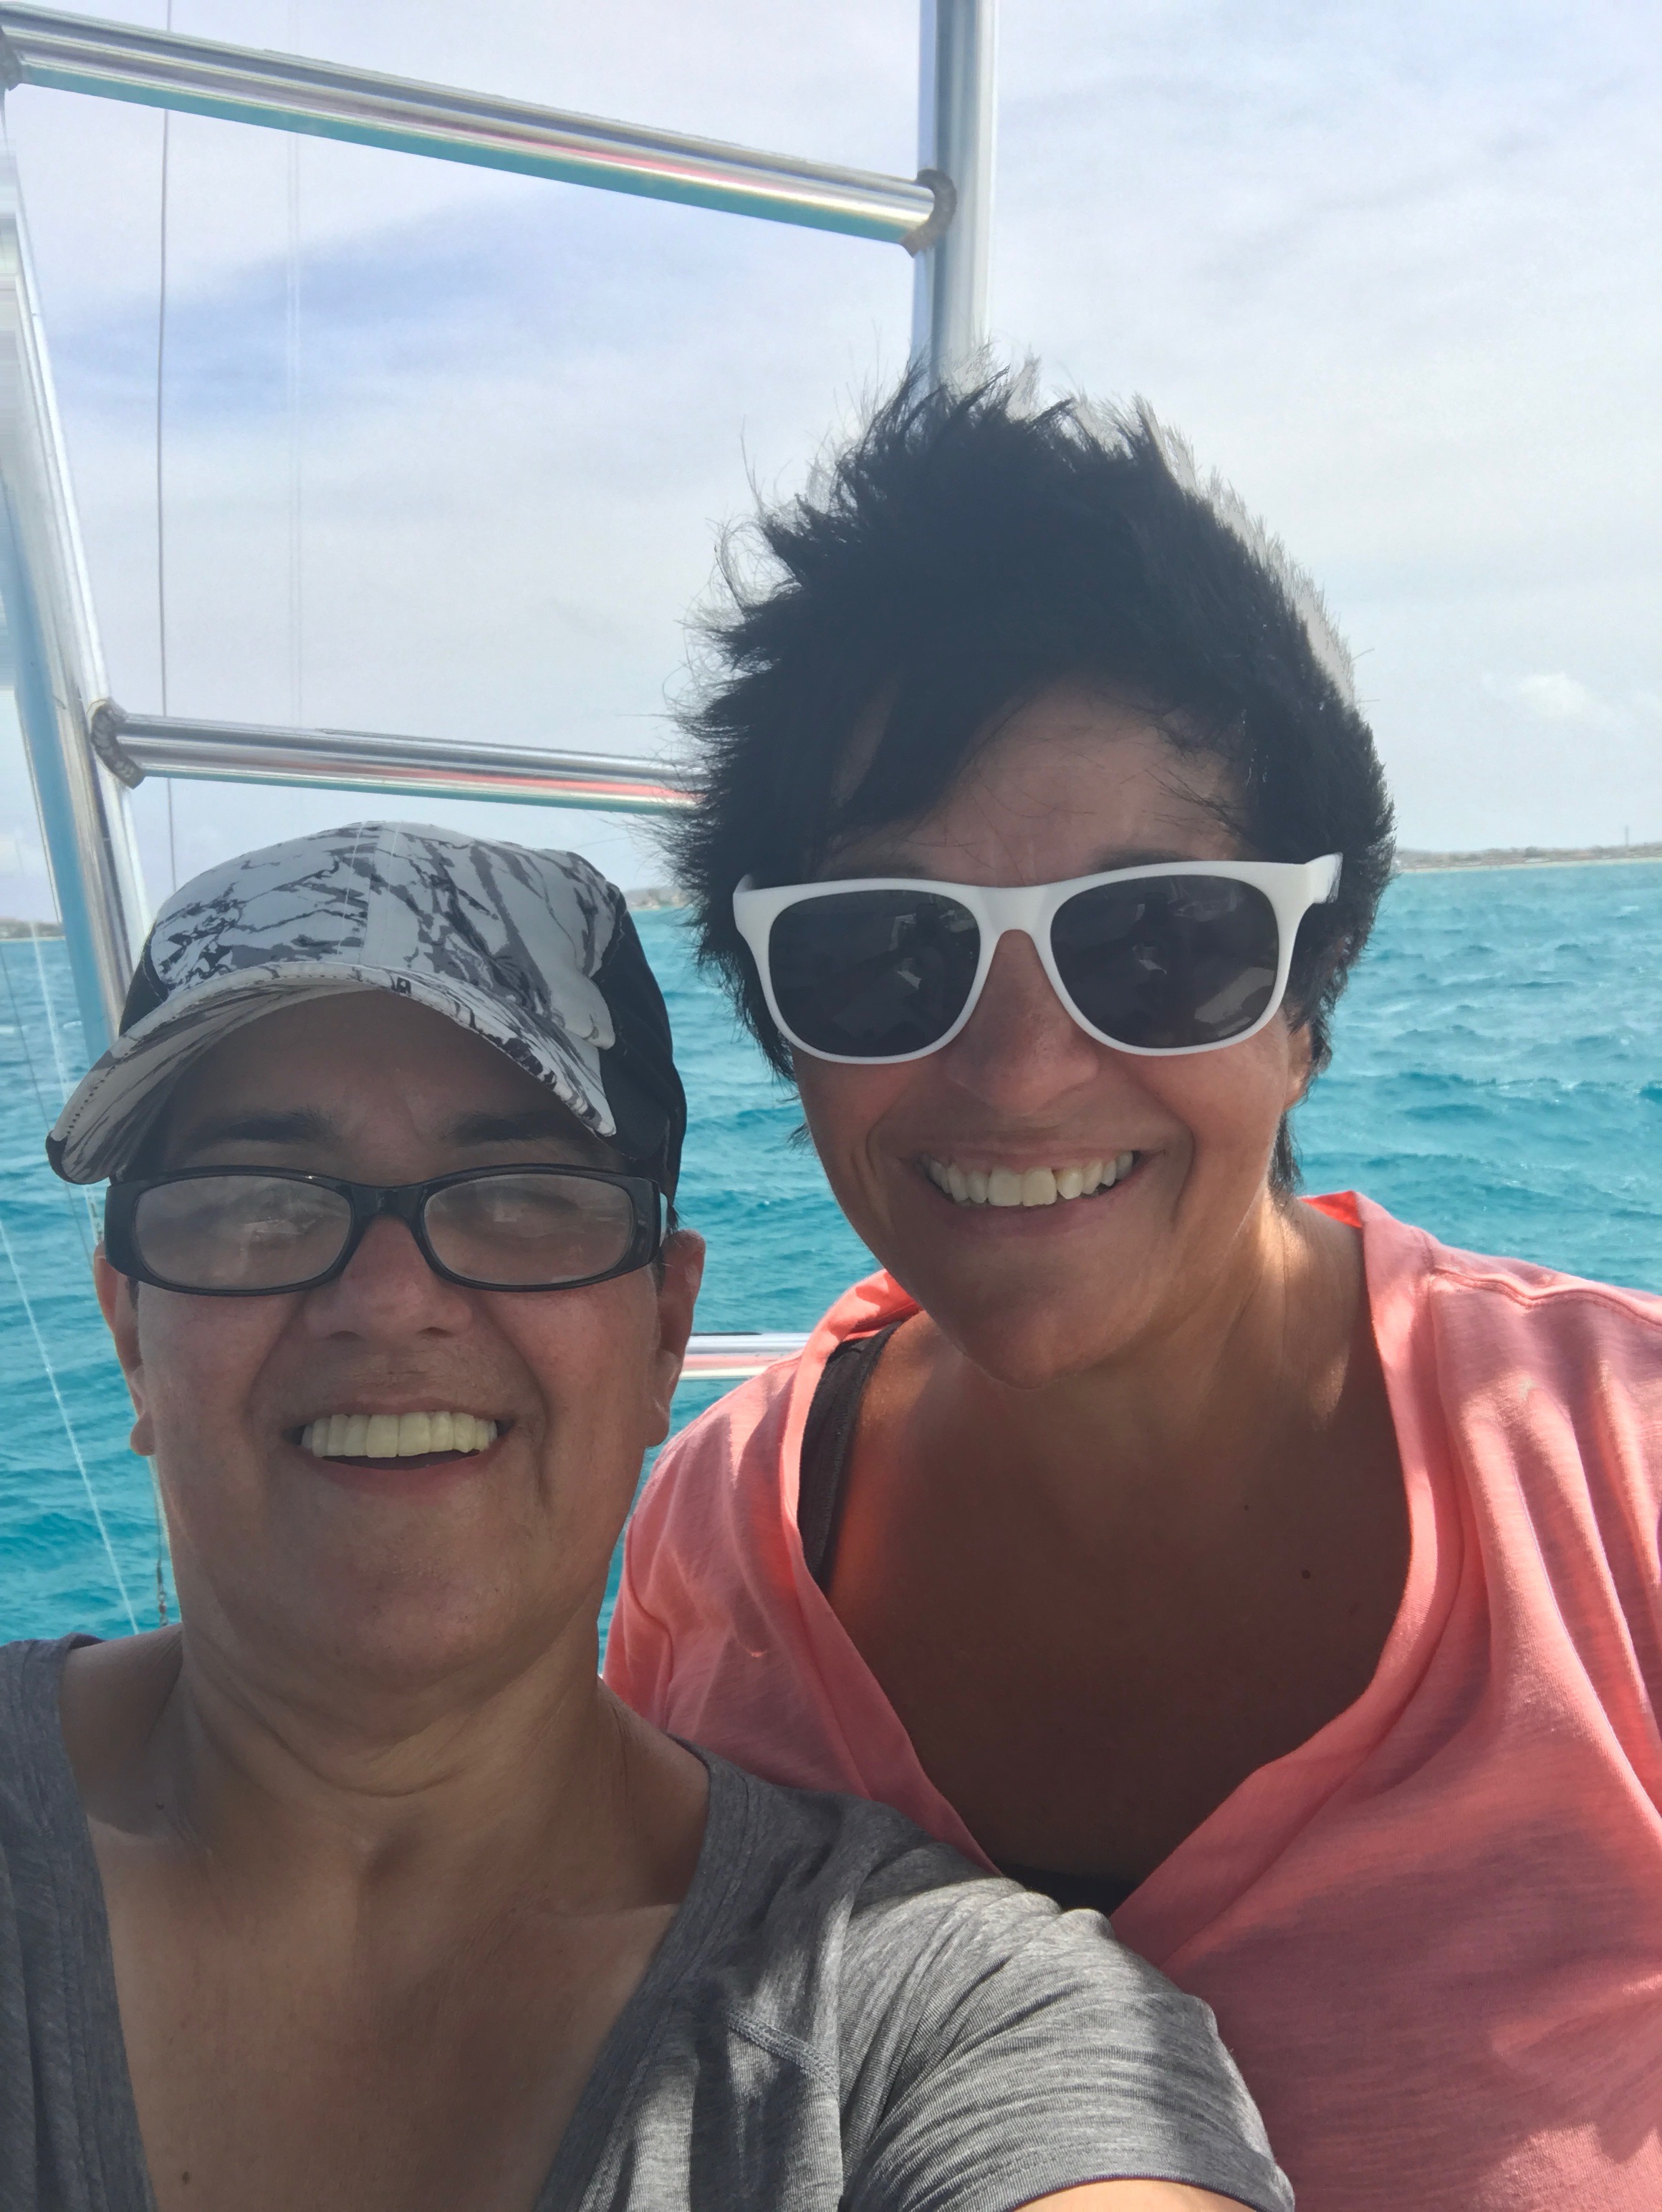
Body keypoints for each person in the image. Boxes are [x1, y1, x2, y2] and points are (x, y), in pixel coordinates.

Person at [604, 380, 1662, 2211]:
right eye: (886, 951)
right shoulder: (716, 1535)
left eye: (1158, 938)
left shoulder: (1616, 1478)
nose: (1019, 1073)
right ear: (785, 1029)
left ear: (1305, 996)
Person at [4, 819, 1290, 2212]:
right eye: (260, 1203)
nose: (385, 1301)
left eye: (520, 1200)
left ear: (665, 1333)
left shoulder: (935, 2018)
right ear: (130, 1330)